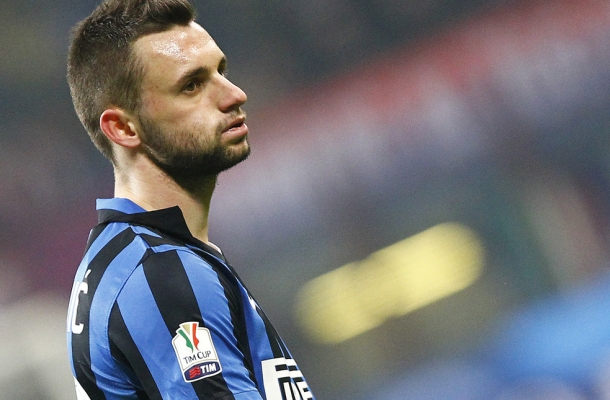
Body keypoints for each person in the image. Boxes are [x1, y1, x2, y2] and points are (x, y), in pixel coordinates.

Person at [65, 0, 315, 399]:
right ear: (123, 128)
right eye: (192, 85)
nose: (234, 95)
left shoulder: (140, 259)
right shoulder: (159, 274)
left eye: (221, 72)